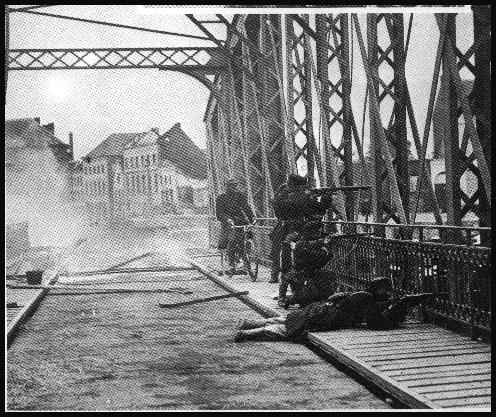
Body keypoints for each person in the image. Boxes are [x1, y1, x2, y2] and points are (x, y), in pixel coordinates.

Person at [234, 277, 434, 342]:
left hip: (321, 308)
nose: (388, 295)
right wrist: (398, 306)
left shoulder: (361, 294)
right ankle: (246, 333)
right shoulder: (366, 299)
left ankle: (248, 324)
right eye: (386, 292)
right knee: (285, 330)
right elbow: (376, 323)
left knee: (286, 321)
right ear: (379, 291)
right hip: (328, 317)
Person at [272, 174, 333, 305]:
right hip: (288, 231)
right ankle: (282, 293)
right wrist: (310, 196)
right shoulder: (285, 195)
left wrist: (326, 198)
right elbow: (280, 207)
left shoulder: (301, 195)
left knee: (305, 263)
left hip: (305, 232)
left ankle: (301, 293)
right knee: (287, 262)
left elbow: (320, 210)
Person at [215, 178, 255, 275]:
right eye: (231, 186)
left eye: (235, 186)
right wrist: (227, 220)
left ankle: (246, 261)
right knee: (231, 241)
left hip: (239, 221)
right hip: (228, 222)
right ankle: (231, 264)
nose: (234, 188)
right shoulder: (221, 198)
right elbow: (219, 213)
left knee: (244, 240)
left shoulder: (240, 196)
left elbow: (246, 207)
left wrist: (252, 218)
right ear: (226, 187)